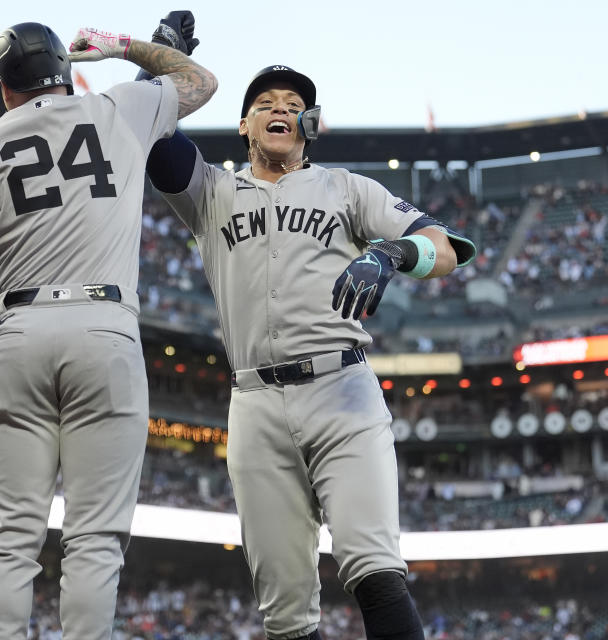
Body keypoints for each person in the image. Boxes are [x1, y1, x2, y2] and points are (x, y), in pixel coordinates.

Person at [141, 18, 477, 640]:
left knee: (375, 571)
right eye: (264, 104)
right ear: (243, 124)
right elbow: (146, 131)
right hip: (255, 405)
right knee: (286, 614)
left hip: (341, 390)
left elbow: (445, 245)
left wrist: (391, 254)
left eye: (295, 106)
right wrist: (161, 63)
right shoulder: (211, 190)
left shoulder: (346, 188)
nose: (280, 110)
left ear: (309, 125)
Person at [0, 20, 216, 639]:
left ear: (4, 88)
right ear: (67, 70)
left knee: (10, 540)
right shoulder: (120, 105)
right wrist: (127, 47)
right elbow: (198, 79)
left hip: (18, 331)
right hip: (105, 327)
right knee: (95, 540)